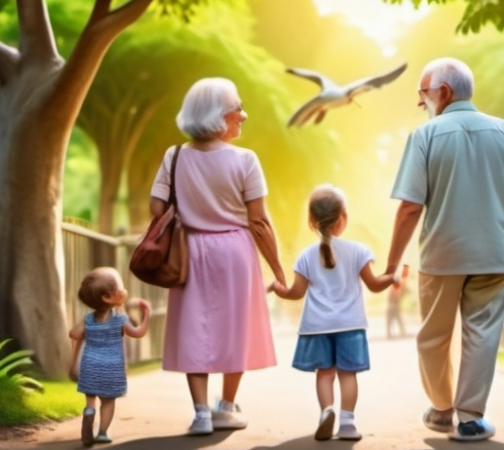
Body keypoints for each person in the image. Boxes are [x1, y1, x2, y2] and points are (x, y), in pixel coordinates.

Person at [385, 57, 504, 441]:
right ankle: (470, 418)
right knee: (483, 334)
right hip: (495, 254)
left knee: (433, 335)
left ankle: (441, 410)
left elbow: (409, 207)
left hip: (442, 256)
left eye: (423, 93)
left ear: (443, 92)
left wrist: (392, 264)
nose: (421, 102)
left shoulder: (425, 136)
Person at [149, 77, 286, 435]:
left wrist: (189, 206)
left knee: (196, 329)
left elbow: (156, 205)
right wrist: (278, 269)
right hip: (235, 252)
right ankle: (226, 406)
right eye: (236, 109)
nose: (243, 115)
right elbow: (258, 222)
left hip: (190, 251)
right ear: (217, 116)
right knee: (235, 328)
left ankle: (200, 413)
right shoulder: (245, 160)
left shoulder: (174, 155)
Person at [270, 185, 395, 442]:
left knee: (324, 373)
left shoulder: (306, 256)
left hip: (318, 326)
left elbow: (295, 293)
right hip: (350, 325)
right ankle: (347, 423)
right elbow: (374, 284)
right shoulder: (358, 251)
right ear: (343, 219)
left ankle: (326, 411)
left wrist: (277, 288)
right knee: (347, 374)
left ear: (311, 222)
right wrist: (392, 275)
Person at [68, 267, 151, 446]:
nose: (125, 290)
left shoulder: (88, 319)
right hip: (111, 368)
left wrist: (77, 335)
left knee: (91, 398)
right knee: (107, 401)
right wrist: (147, 315)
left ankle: (89, 413)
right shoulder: (120, 320)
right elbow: (138, 332)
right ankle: (103, 433)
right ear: (107, 297)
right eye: (120, 287)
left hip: (90, 365)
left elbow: (74, 334)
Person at [386, 263, 410, 338]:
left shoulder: (398, 285)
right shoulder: (394, 286)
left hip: (394, 305)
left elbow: (401, 292)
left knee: (396, 319)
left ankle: (401, 333)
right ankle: (390, 334)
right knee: (392, 320)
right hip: (392, 305)